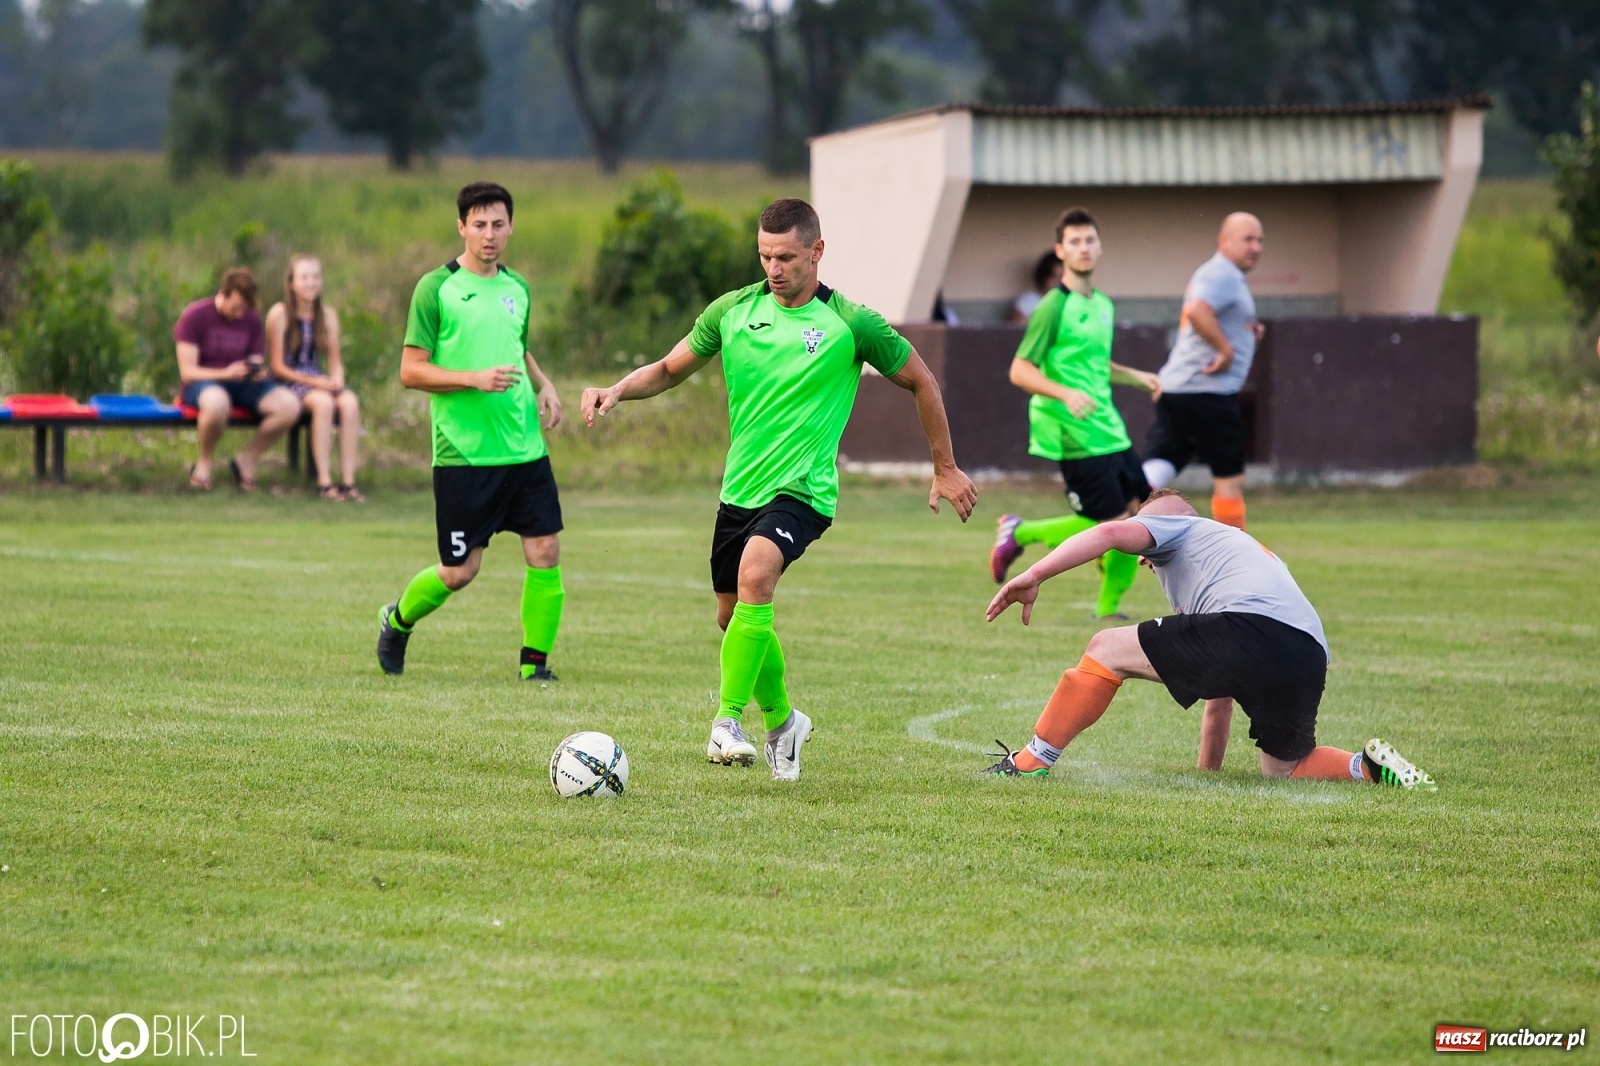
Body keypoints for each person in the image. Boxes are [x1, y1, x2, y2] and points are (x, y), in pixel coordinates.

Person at [579, 197, 978, 781]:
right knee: (731, 615)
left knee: (756, 576)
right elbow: (668, 369)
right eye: (765, 255)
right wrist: (615, 390)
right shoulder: (733, 311)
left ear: (817, 251)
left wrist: (944, 466)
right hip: (739, 489)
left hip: (804, 491)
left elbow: (922, 380)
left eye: (787, 256)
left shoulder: (851, 323)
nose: (774, 267)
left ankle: (726, 721)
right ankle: (786, 723)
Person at [982, 488, 1437, 789]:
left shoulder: (1180, 527)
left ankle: (1030, 762)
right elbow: (1218, 690)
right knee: (1287, 767)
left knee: (1105, 649)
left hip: (1254, 628)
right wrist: (1206, 778)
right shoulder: (1234, 554)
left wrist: (1035, 573)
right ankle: (1368, 768)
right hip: (1307, 652)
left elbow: (1108, 532)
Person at [375, 182, 566, 683]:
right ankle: (397, 621)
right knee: (461, 571)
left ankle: (534, 668)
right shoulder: (435, 288)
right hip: (463, 454)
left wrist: (543, 384)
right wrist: (472, 379)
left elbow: (517, 347)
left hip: (524, 447)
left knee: (545, 550)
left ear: (511, 227)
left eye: (498, 224)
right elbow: (411, 371)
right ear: (461, 226)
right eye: (479, 224)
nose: (489, 234)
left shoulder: (518, 288)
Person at [988, 207, 1161, 621]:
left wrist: (1137, 378)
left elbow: (1095, 364)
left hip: (1109, 428)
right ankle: (1100, 606)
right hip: (1072, 431)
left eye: (1089, 240)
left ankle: (1023, 533)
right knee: (1117, 523)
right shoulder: (1052, 306)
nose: (1083, 248)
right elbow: (1020, 369)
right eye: (1075, 242)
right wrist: (1064, 393)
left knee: (1139, 515)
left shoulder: (1102, 304)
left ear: (1100, 247)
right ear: (1060, 251)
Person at [1140, 212, 1266, 531]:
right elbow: (1196, 311)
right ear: (1224, 241)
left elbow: (1203, 315)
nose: (1256, 247)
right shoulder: (1222, 273)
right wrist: (1226, 349)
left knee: (1157, 471)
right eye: (1248, 239)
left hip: (1178, 390)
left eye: (1260, 240)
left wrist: (1244, 332)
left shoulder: (1221, 274)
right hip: (1208, 392)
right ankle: (1235, 557)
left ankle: (1115, 525)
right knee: (1229, 478)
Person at [175, 267, 302, 491]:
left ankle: (248, 459)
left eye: (244, 309)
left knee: (289, 405)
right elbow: (188, 372)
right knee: (217, 403)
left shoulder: (251, 319)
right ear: (223, 294)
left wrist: (255, 372)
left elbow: (254, 358)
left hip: (243, 384)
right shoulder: (195, 316)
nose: (240, 314)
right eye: (236, 308)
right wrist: (225, 373)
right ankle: (204, 463)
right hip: (203, 383)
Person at [266, 254, 364, 501]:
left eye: (316, 277)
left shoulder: (328, 316)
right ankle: (324, 481)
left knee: (349, 403)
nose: (311, 283)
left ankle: (348, 481)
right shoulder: (279, 314)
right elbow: (277, 366)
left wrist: (337, 380)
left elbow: (335, 362)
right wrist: (317, 383)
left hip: (318, 379)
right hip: (290, 382)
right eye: (305, 277)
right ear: (292, 283)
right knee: (324, 403)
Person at [1010, 250, 1063, 322]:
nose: (1058, 282)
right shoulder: (1028, 300)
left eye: (1062, 277)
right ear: (1044, 277)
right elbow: (1019, 327)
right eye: (1054, 277)